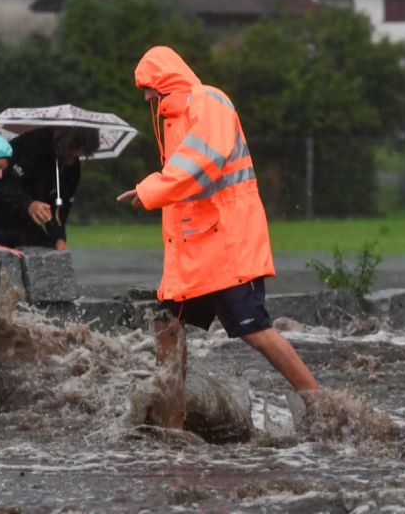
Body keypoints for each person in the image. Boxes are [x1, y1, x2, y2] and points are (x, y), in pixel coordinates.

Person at [117, 45, 319, 398]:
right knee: (167, 325)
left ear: (165, 79)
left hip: (228, 247)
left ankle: (320, 402)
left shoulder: (208, 101)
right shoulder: (174, 118)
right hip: (197, 252)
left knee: (256, 332)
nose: (146, 95)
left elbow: (200, 165)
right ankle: (170, 416)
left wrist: (149, 189)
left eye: (148, 86)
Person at [0, 127, 99, 251]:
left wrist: (59, 238)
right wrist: (29, 204)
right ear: (66, 142)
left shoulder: (72, 167)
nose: (73, 159)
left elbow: (61, 207)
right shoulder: (27, 146)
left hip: (24, 223)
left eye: (82, 153)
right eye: (72, 152)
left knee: (47, 258)